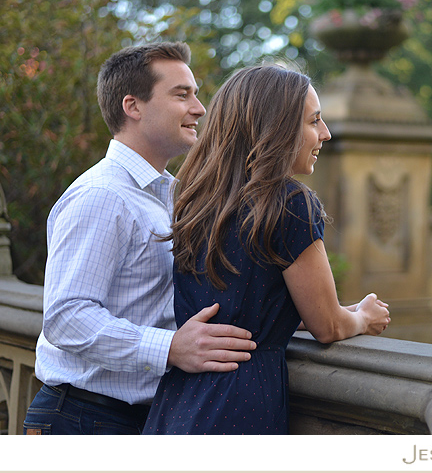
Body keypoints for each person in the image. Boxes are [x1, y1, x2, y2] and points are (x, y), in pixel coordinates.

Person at [142, 64, 391, 435]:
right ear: (276, 128)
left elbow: (246, 304)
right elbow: (328, 327)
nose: (325, 134)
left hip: (179, 400)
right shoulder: (289, 202)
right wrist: (363, 318)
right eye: (314, 122)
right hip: (240, 402)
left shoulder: (196, 200)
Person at [23, 42, 257, 435]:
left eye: (196, 95)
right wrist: (169, 349)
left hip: (140, 418)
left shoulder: (172, 195)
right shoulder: (102, 195)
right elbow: (66, 317)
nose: (199, 108)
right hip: (82, 422)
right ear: (133, 107)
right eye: (182, 95)